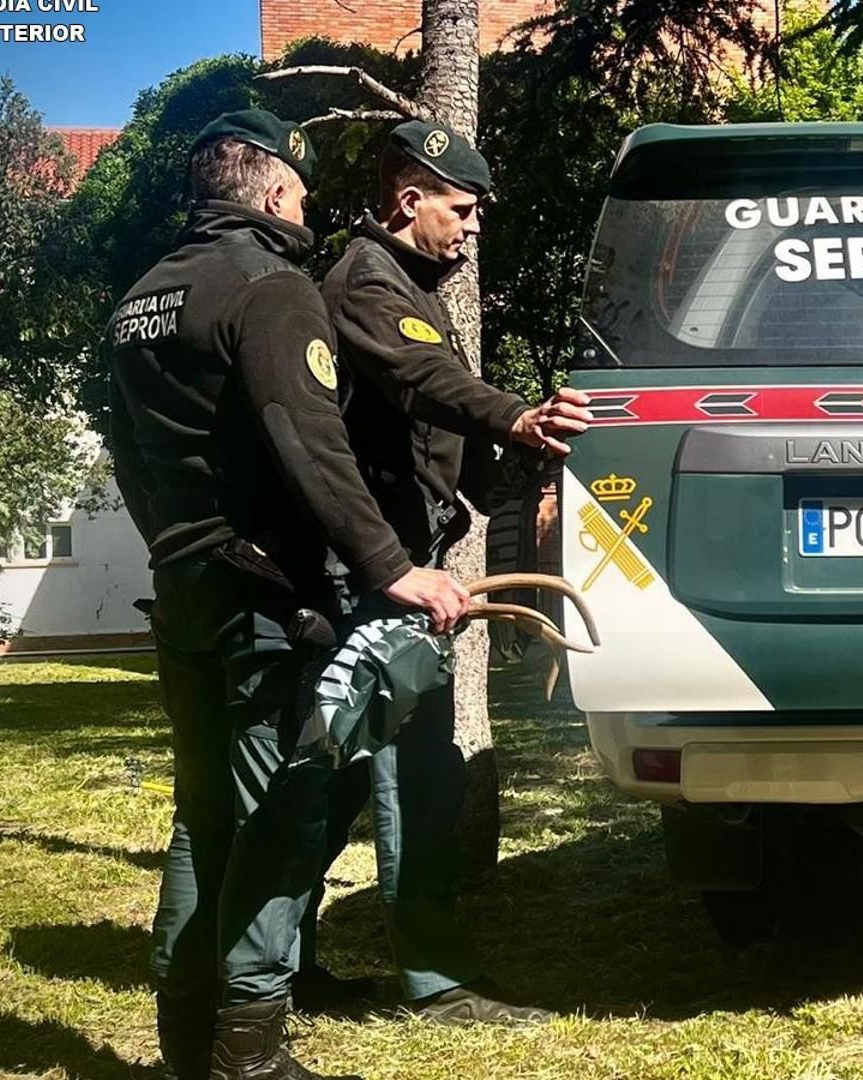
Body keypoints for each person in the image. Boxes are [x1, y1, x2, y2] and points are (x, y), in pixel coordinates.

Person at [107, 109, 472, 1080]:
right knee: (281, 816)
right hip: (267, 600)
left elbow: (129, 457)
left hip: (184, 591)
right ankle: (250, 1052)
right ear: (274, 192)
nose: (306, 214)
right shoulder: (272, 288)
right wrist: (392, 568)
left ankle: (187, 1045)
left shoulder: (140, 299)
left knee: (204, 819)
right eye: (302, 197)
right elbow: (310, 443)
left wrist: (175, 549)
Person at [302, 119, 592, 1024]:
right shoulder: (366, 282)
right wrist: (516, 418)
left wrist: (513, 475)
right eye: (461, 209)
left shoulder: (409, 286)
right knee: (408, 775)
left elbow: (434, 429)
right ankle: (432, 983)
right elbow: (428, 379)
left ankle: (284, 961)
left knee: (343, 775)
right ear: (408, 199)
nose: (473, 226)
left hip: (390, 568)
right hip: (373, 578)